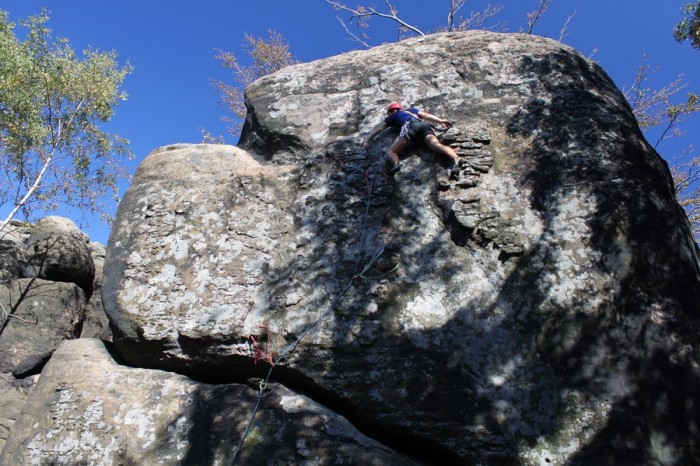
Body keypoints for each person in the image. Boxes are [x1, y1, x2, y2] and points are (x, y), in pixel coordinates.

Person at [362, 102, 460, 174]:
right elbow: (425, 115)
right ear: (400, 108)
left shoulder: (393, 116)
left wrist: (367, 139)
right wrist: (441, 121)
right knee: (436, 145)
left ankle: (396, 164)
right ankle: (456, 158)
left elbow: (379, 128)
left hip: (411, 127)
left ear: (390, 112)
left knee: (391, 152)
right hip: (424, 126)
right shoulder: (411, 111)